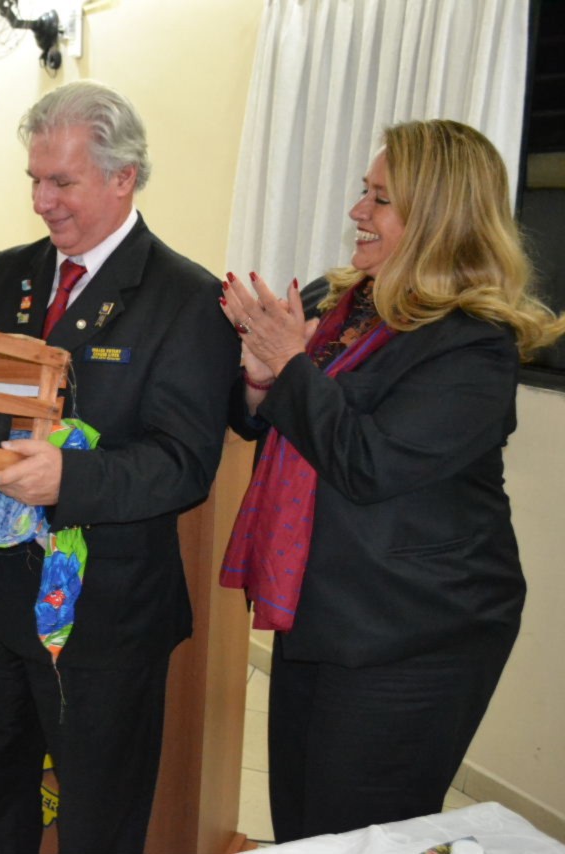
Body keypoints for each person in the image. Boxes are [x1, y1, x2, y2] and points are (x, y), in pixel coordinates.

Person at [219, 119, 565, 841]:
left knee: (363, 835)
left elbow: (368, 463)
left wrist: (289, 367)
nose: (357, 212)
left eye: (381, 199)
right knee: (305, 829)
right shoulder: (338, 300)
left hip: (414, 633)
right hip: (319, 607)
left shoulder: (473, 345)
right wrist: (259, 379)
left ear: (439, 218)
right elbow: (272, 421)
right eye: (364, 192)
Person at [0, 80, 240, 854]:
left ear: (122, 177)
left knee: (97, 827)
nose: (41, 202)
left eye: (62, 182)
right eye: (33, 180)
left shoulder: (187, 298)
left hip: (106, 621)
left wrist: (68, 481)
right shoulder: (6, 273)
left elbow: (184, 464)